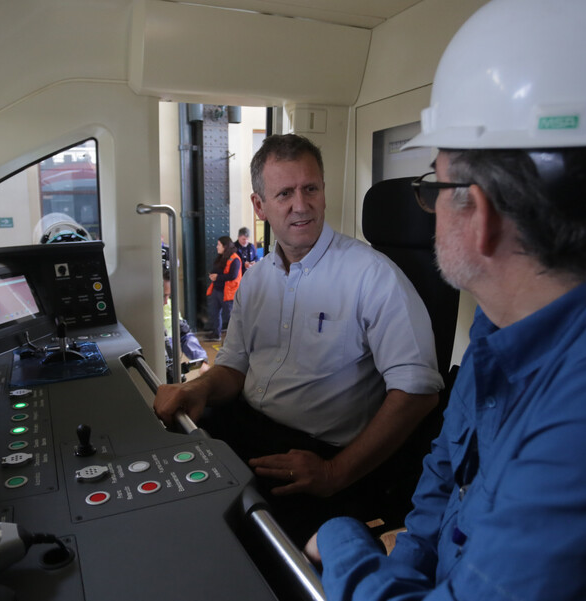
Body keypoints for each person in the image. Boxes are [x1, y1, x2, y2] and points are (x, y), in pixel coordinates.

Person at [306, 1, 586, 598]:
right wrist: (402, 568)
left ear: (480, 213)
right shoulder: (500, 325)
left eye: (433, 186)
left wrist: (340, 540)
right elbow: (445, 481)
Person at [155, 134, 442, 543]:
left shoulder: (373, 277)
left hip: (319, 455)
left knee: (228, 544)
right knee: (169, 495)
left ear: (324, 192)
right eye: (285, 193)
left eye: (311, 189)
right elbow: (233, 368)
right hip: (245, 426)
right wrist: (198, 389)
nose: (301, 205)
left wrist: (333, 473)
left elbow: (417, 394)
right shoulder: (256, 280)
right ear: (260, 206)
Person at [163, 269, 209, 382]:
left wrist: (201, 361)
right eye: (163, 296)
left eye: (168, 296)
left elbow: (185, 335)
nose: (165, 301)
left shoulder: (169, 305)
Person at [204, 236, 241, 342]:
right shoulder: (221, 257)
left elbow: (233, 276)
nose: (217, 247)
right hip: (217, 290)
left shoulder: (235, 259)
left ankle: (234, 339)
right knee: (215, 313)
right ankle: (216, 334)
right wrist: (213, 275)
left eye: (219, 245)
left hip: (228, 293)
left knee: (231, 316)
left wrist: (217, 277)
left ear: (225, 246)